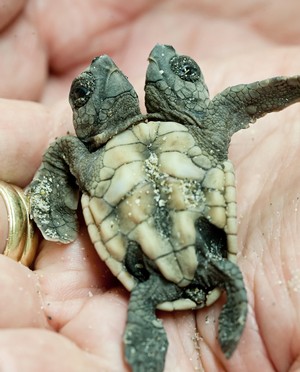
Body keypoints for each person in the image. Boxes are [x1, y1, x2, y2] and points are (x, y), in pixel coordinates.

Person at [1, 1, 300, 371]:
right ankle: (152, 335)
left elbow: (251, 99)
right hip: (174, 271)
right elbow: (56, 176)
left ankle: (213, 304)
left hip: (186, 267)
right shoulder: (81, 153)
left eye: (184, 69)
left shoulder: (198, 129)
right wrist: (52, 216)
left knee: (218, 277)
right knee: (188, 285)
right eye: (82, 91)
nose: (103, 69)